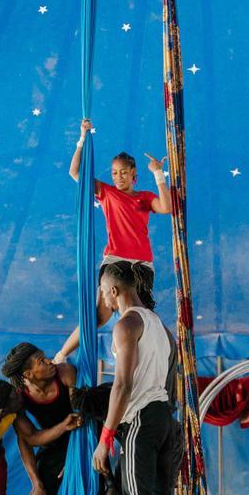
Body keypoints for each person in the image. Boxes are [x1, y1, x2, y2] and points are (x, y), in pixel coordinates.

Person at [91, 260, 186, 495]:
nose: (102, 298)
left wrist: (106, 437)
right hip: (164, 417)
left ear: (113, 291)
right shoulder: (160, 325)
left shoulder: (126, 324)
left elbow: (122, 385)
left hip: (141, 420)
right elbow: (171, 379)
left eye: (102, 292)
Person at [1, 342, 118, 495]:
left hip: (82, 440)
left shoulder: (65, 374)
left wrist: (74, 460)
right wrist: (36, 483)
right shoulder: (18, 398)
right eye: (41, 361)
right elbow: (30, 439)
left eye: (46, 357)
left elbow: (83, 416)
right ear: (27, 375)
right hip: (52, 443)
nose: (49, 362)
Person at [57, 119, 172, 364]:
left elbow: (166, 207)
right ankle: (62, 355)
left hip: (141, 263)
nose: (118, 177)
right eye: (114, 173)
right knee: (100, 316)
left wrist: (158, 173)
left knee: (141, 316)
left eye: (123, 173)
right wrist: (81, 138)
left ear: (134, 175)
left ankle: (142, 362)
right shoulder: (107, 193)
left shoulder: (144, 197)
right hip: (116, 260)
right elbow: (74, 172)